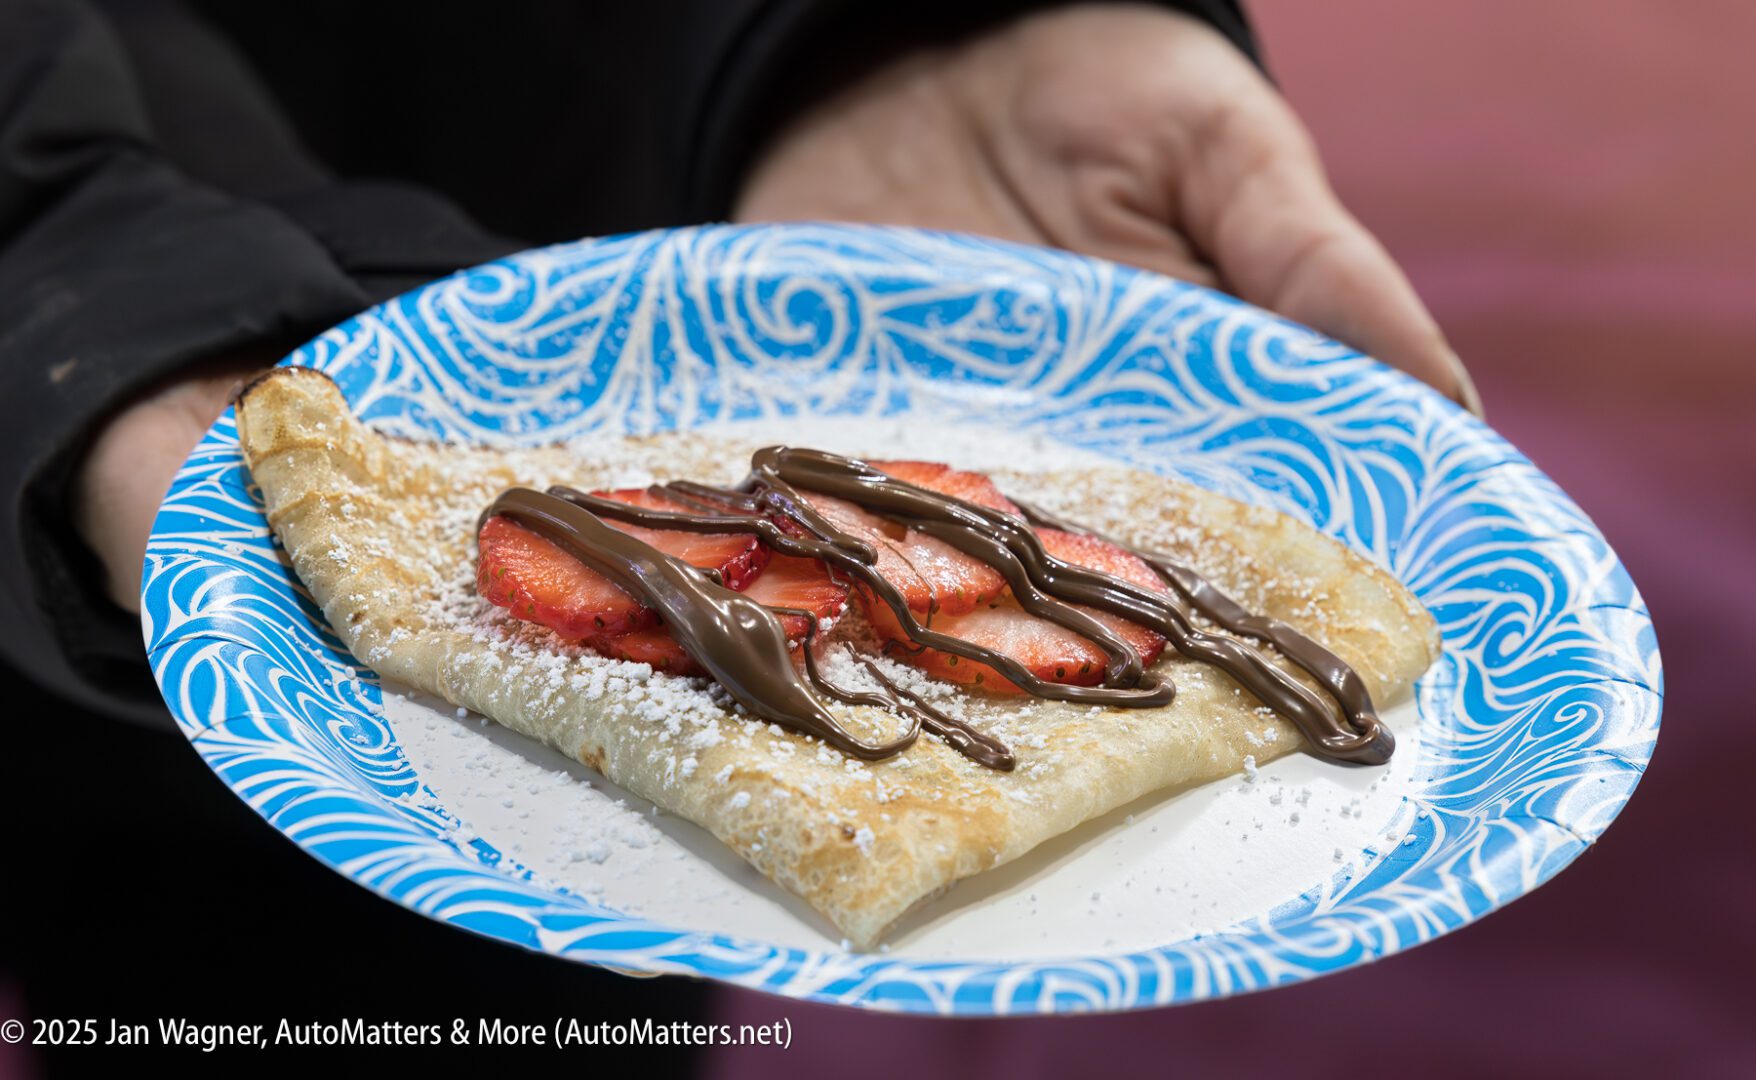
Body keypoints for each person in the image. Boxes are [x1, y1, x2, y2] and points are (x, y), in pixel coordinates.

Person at [1, 0, 1475, 726]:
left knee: (597, 946)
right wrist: (81, 277)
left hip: (655, 237)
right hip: (103, 349)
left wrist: (878, 29)